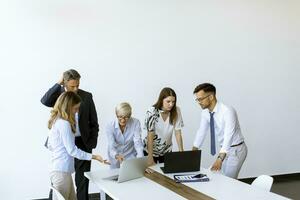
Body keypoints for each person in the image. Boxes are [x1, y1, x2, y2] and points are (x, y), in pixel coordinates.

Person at [41, 69, 99, 200]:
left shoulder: (87, 96)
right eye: (72, 86)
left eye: (78, 85)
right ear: (65, 84)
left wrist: (92, 142)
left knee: (83, 180)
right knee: (60, 180)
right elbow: (44, 101)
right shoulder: (59, 96)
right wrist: (58, 83)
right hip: (63, 144)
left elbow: (94, 122)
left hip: (83, 142)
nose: (76, 89)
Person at [47, 91, 109, 200]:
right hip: (61, 172)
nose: (77, 111)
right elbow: (72, 151)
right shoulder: (64, 124)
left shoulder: (57, 121)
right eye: (75, 108)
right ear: (68, 107)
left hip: (61, 171)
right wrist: (94, 156)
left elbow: (51, 145)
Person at [192, 83, 247, 179]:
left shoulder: (228, 111)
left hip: (236, 150)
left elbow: (228, 136)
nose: (199, 102)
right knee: (211, 176)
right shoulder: (205, 113)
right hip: (224, 150)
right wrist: (192, 152)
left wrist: (220, 159)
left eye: (200, 99)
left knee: (229, 182)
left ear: (211, 97)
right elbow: (201, 132)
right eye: (197, 99)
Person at [143, 87, 184, 166]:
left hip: (166, 151)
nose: (171, 104)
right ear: (161, 100)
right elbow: (150, 135)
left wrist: (181, 152)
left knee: (166, 175)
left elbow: (178, 132)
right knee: (151, 175)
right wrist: (150, 157)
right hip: (150, 151)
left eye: (173, 102)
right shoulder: (152, 111)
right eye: (168, 101)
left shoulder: (177, 111)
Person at [106, 102, 144, 169]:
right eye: (120, 117)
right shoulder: (110, 125)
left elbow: (138, 143)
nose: (123, 120)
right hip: (115, 154)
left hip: (130, 154)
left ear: (130, 115)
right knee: (114, 176)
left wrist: (141, 162)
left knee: (131, 175)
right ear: (116, 114)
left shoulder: (135, 123)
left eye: (126, 117)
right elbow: (111, 145)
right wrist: (116, 155)